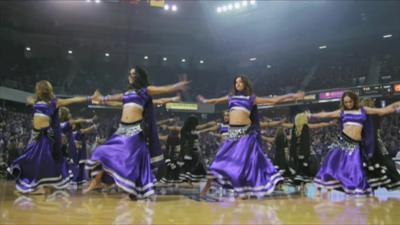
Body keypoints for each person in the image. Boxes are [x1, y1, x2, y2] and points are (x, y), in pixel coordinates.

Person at [84, 66, 190, 200]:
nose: (130, 76)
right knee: (101, 151)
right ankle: (98, 182)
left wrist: (177, 86)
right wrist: (101, 98)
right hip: (121, 131)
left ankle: (130, 187)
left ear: (139, 76)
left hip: (135, 131)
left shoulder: (144, 92)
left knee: (131, 160)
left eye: (133, 74)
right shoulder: (126, 94)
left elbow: (163, 89)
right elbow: (111, 98)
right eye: (129, 74)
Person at [199, 75, 304, 198]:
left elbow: (273, 100)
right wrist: (205, 101)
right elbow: (215, 101)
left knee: (243, 166)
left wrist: (293, 96)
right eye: (236, 82)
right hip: (233, 134)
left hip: (246, 134)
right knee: (217, 162)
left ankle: (243, 192)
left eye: (240, 82)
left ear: (245, 84)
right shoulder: (231, 98)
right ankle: (206, 189)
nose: (237, 84)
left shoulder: (251, 98)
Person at [8, 80, 98, 193]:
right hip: (35, 134)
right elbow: (29, 101)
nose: (40, 90)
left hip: (47, 134)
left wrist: (90, 98)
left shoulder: (54, 102)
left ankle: (42, 185)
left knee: (42, 159)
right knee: (32, 158)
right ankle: (41, 184)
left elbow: (73, 100)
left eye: (40, 88)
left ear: (44, 90)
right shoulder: (36, 101)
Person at [308, 91, 400, 196]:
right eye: (346, 102)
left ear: (354, 100)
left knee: (355, 169)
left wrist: (395, 105)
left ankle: (358, 190)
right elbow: (326, 114)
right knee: (330, 164)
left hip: (355, 144)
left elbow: (381, 111)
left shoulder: (363, 110)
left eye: (350, 101)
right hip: (342, 142)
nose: (348, 104)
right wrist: (312, 115)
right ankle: (320, 188)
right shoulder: (342, 112)